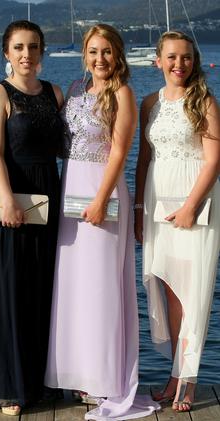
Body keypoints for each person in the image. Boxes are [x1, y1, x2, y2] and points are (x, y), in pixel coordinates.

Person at [45, 24, 159, 420]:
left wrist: (99, 200)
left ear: (118, 54)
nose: (100, 59)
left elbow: (120, 153)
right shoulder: (76, 90)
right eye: (93, 51)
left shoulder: (123, 94)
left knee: (103, 286)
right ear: (84, 54)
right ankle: (82, 376)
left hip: (102, 196)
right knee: (75, 286)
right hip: (69, 194)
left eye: (107, 52)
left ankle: (109, 380)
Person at [0, 20, 64, 416]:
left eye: (34, 47)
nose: (27, 54)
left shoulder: (55, 94)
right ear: (6, 53)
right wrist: (6, 201)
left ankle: (42, 381)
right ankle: (8, 387)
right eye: (19, 47)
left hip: (48, 196)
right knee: (9, 291)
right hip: (10, 195)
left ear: (42, 53)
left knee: (44, 289)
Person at [135, 31, 220, 412]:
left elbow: (214, 160)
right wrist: (138, 209)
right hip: (156, 204)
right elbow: (142, 160)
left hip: (195, 205)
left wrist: (190, 206)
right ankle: (174, 374)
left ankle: (188, 380)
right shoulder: (149, 102)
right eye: (171, 57)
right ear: (158, 61)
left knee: (194, 292)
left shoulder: (204, 101)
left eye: (186, 57)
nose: (179, 64)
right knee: (170, 287)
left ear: (194, 61)